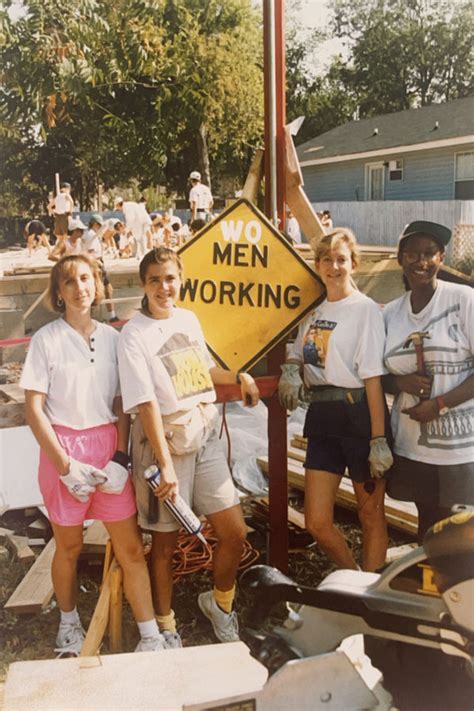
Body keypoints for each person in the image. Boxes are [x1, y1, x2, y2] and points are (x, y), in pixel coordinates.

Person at [20, 254, 167, 656]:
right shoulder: (45, 340)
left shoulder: (114, 338)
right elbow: (33, 409)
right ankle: (68, 626)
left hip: (107, 451)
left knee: (131, 548)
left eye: (86, 279)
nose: (80, 287)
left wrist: (120, 458)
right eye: (69, 282)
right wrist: (65, 467)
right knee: (68, 547)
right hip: (63, 451)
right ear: (58, 293)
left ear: (98, 286)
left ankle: (151, 636)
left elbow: (122, 401)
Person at [117, 247, 259, 645]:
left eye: (170, 278)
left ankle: (220, 603)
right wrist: (164, 467)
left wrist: (240, 375)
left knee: (234, 531)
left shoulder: (188, 319)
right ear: (143, 285)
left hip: (204, 434)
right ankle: (166, 626)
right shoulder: (133, 335)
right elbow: (144, 403)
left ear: (181, 280)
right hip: (163, 443)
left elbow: (202, 370)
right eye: (155, 280)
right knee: (165, 543)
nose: (164, 287)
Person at [278, 228, 393, 572]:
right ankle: (353, 577)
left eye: (341, 259)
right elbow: (299, 353)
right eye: (327, 259)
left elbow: (373, 378)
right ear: (318, 265)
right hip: (323, 417)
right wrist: (291, 371)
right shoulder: (314, 311)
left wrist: (378, 439)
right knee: (316, 520)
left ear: (354, 264)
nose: (334, 266)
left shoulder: (365, 310)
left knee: (370, 513)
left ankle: (370, 594)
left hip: (358, 413)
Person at [383, 221, 474, 543]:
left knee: (458, 532)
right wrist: (399, 382)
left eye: (429, 253)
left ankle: (459, 592)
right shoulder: (390, 313)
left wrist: (440, 404)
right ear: (400, 259)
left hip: (458, 447)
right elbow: (377, 376)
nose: (421, 262)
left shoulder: (463, 300)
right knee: (427, 526)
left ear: (441, 257)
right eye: (412, 254)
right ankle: (431, 590)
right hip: (412, 442)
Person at [83, 214, 119, 323]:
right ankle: (89, 318)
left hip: (99, 262)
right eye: (99, 225)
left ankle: (112, 315)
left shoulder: (94, 234)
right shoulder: (90, 235)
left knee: (108, 289)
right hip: (95, 263)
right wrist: (97, 264)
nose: (101, 228)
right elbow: (90, 252)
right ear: (95, 224)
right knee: (97, 292)